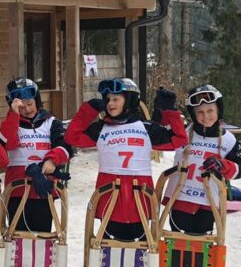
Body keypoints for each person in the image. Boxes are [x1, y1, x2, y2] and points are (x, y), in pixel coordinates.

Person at [64, 79, 187, 241]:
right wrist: (89, 110)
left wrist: (170, 111)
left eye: (116, 99)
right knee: (110, 248)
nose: (110, 103)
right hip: (109, 196)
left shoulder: (146, 127)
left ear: (128, 100)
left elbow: (179, 140)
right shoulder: (101, 128)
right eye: (107, 99)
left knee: (139, 248)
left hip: (139, 197)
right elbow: (72, 137)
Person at [164, 84, 241, 234]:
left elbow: (239, 170)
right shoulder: (183, 133)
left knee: (202, 244)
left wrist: (222, 165)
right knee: (178, 242)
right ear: (193, 114)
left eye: (210, 111)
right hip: (180, 199)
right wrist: (166, 109)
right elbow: (160, 136)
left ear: (218, 110)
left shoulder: (228, 140)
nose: (206, 116)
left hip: (209, 201)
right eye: (200, 112)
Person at [0, 78, 72, 232]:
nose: (27, 109)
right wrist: (13, 115)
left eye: (30, 104)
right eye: (21, 107)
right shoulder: (10, 124)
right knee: (17, 237)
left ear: (37, 100)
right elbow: (7, 144)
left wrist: (52, 161)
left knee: (41, 237)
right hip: (17, 190)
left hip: (43, 188)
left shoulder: (52, 122)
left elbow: (65, 146)